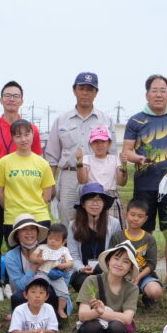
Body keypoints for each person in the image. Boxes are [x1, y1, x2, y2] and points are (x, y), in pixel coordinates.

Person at [121, 74, 167, 293]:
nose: (159, 94)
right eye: (154, 90)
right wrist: (139, 159)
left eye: (163, 90)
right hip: (144, 186)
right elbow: (126, 151)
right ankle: (144, 277)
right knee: (144, 232)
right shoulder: (135, 120)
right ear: (147, 94)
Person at [44, 72, 115, 221]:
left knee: (96, 221)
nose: (85, 93)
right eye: (81, 88)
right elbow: (52, 157)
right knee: (68, 219)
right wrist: (49, 185)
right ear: (74, 90)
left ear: (96, 93)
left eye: (90, 89)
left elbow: (112, 156)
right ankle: (69, 245)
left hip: (96, 175)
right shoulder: (61, 120)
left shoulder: (105, 120)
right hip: (69, 176)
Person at [0, 82, 43, 245]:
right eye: (7, 95)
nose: (11, 99)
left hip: (23, 195)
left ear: (22, 101)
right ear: (1, 100)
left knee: (22, 241)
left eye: (16, 96)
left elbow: (37, 162)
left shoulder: (32, 131)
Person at [75, 243, 140, 333]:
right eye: (116, 258)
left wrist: (102, 312)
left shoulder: (132, 289)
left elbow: (127, 319)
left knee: (117, 327)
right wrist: (96, 313)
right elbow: (83, 315)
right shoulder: (92, 280)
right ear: (109, 260)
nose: (119, 264)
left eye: (126, 261)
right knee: (93, 326)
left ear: (130, 268)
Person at [0, 119, 55, 229]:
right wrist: (10, 208)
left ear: (33, 134)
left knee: (39, 247)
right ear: (12, 138)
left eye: (27, 134)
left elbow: (47, 195)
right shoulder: (4, 163)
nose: (23, 139)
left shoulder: (43, 164)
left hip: (39, 218)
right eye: (18, 136)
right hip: (14, 218)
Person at [67, 183, 122, 291]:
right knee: (85, 283)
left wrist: (101, 267)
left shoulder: (114, 223)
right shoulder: (74, 225)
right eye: (91, 199)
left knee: (104, 282)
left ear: (104, 203)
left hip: (106, 269)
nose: (95, 203)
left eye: (99, 199)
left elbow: (116, 250)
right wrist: (81, 268)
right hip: (82, 271)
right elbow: (73, 254)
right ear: (83, 204)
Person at [2, 215, 62, 312]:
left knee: (49, 291)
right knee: (17, 297)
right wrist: (35, 265)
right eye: (24, 229)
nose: (29, 232)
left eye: (32, 229)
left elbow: (61, 275)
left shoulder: (47, 250)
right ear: (17, 234)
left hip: (47, 292)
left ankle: (53, 320)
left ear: (37, 232)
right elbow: (20, 286)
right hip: (25, 294)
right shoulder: (11, 256)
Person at [109, 198, 163, 305]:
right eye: (132, 215)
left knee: (156, 292)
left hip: (143, 275)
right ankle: (123, 293)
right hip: (120, 274)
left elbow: (152, 264)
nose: (135, 219)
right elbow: (110, 259)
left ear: (146, 218)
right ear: (126, 215)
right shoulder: (117, 237)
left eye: (140, 216)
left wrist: (138, 277)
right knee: (113, 298)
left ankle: (147, 296)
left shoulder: (149, 239)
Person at [77, 125, 126, 225]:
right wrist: (79, 162)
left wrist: (124, 166)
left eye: (103, 141)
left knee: (112, 227)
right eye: (95, 142)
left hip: (110, 195)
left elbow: (121, 182)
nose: (99, 145)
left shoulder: (114, 159)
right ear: (90, 144)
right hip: (92, 195)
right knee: (92, 226)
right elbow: (82, 180)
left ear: (109, 143)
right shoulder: (87, 159)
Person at [29, 223, 73, 320]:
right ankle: (38, 308)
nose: (53, 241)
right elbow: (32, 257)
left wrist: (63, 265)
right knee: (40, 287)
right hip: (43, 273)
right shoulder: (42, 247)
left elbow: (70, 263)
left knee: (64, 292)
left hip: (57, 275)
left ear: (63, 241)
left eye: (57, 240)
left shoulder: (64, 250)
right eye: (50, 238)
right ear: (47, 237)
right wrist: (37, 260)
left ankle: (60, 309)